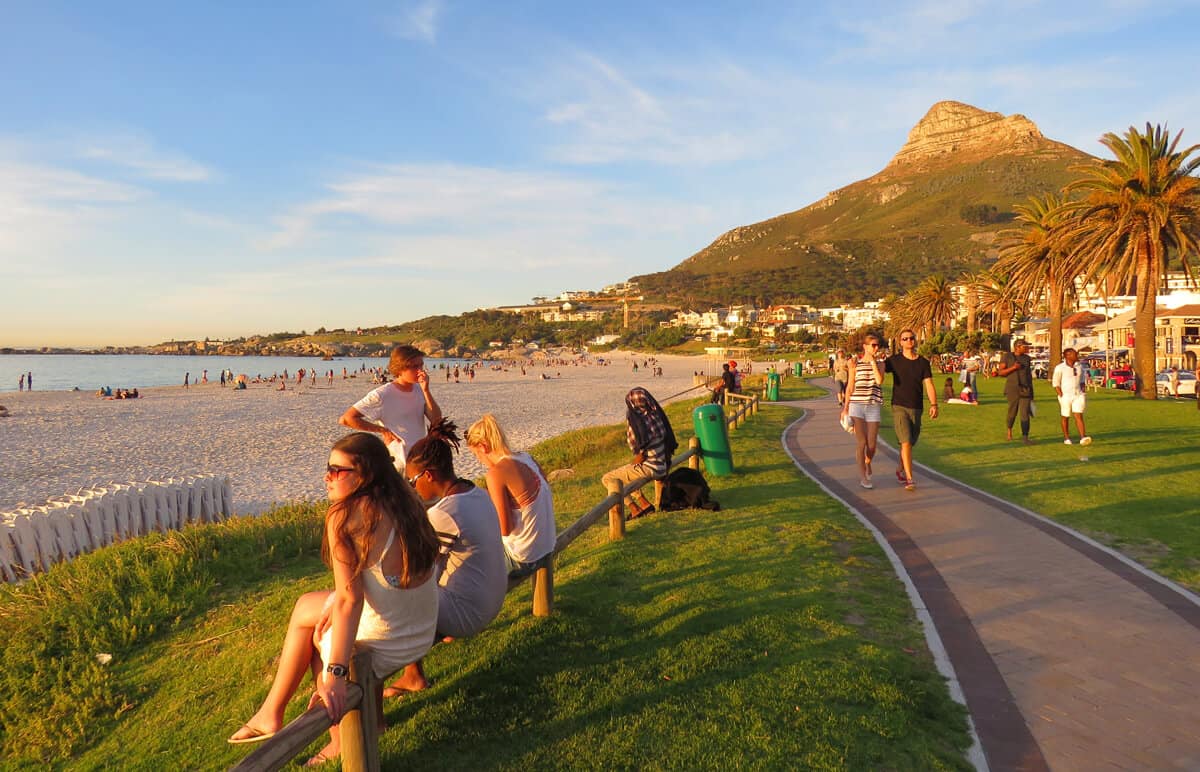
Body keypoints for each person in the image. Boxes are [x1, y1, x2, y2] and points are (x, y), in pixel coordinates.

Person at [227, 433, 439, 767]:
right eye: (328, 468)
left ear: (365, 474)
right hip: (420, 630)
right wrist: (335, 609)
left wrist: (335, 673)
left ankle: (338, 739)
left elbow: (349, 601)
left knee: (317, 635)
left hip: (388, 640)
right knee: (306, 607)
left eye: (337, 471)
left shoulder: (343, 516)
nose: (327, 477)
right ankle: (272, 711)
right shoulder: (406, 501)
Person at [381, 419, 506, 698]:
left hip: (471, 614)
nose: (411, 487)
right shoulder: (476, 492)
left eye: (412, 481)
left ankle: (411, 676)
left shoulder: (444, 514)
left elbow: (410, 570)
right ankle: (413, 671)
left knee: (398, 589)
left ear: (428, 475)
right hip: (493, 598)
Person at [466, 414, 556, 578]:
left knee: (466, 567)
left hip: (524, 556)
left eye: (476, 455)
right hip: (547, 545)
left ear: (483, 447)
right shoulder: (527, 458)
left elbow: (505, 529)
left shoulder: (495, 474)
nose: (479, 460)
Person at [340, 345, 443, 471]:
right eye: (415, 366)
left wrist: (426, 390)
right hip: (399, 462)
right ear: (400, 368)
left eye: (421, 365)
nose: (420, 371)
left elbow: (437, 420)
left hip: (421, 459)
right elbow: (347, 419)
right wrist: (383, 431)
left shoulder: (419, 389)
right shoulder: (382, 394)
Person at [602, 387, 679, 519]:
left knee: (608, 478)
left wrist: (635, 462)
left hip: (650, 468)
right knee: (626, 473)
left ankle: (634, 508)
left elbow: (639, 455)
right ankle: (645, 504)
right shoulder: (656, 415)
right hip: (662, 465)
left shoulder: (637, 422)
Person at [884, 330, 939, 491]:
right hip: (899, 406)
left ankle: (900, 469)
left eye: (911, 338)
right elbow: (878, 371)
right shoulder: (893, 361)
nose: (909, 341)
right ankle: (909, 478)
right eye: (905, 339)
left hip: (917, 407)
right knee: (906, 442)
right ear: (900, 342)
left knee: (910, 443)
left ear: (915, 340)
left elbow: (928, 384)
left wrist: (934, 404)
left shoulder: (923, 362)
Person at [841, 334, 884, 489]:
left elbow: (879, 381)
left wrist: (872, 361)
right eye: (873, 345)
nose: (876, 348)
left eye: (877, 345)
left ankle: (868, 461)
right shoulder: (855, 364)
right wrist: (845, 408)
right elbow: (850, 386)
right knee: (862, 442)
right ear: (865, 347)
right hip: (857, 405)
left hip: (873, 405)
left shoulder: (880, 364)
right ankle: (863, 476)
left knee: (872, 445)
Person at [997, 339, 1035, 444]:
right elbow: (1001, 372)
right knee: (1012, 412)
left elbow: (1028, 376)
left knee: (1024, 414)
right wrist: (1013, 368)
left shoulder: (1027, 358)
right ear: (1017, 347)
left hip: (1025, 389)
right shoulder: (1007, 357)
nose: (1027, 348)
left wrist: (1031, 392)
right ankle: (1009, 430)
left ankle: (1025, 437)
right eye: (1025, 346)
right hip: (1012, 388)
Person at [1053, 348, 1091, 445]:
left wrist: (1083, 390)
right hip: (1065, 395)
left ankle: (1083, 437)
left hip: (1078, 394)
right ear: (1068, 356)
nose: (1077, 356)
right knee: (1065, 416)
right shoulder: (1060, 368)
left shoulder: (1079, 367)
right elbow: (1056, 382)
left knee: (1078, 415)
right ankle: (1066, 438)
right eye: (1075, 354)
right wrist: (1061, 394)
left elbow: (1082, 380)